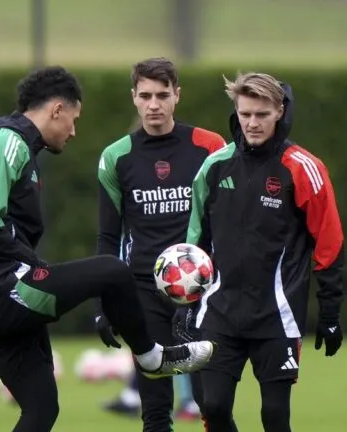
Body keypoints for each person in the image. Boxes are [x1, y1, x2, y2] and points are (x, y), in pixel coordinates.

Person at [0, 65, 216, 432]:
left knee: (41, 409)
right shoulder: (5, 142)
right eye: (72, 120)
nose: (73, 131)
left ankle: (151, 357)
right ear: (57, 109)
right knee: (112, 270)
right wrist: (35, 264)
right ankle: (153, 358)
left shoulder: (17, 145)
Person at [183, 72, 345, 432]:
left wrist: (330, 312)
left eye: (262, 114)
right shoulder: (214, 167)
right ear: (236, 113)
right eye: (245, 114)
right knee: (213, 404)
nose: (252, 123)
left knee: (274, 416)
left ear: (280, 112)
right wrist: (188, 304)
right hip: (219, 311)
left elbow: (330, 245)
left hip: (277, 314)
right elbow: (195, 244)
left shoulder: (304, 168)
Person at [94, 57, 225, 431]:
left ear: (177, 96)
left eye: (162, 95)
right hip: (143, 292)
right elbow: (108, 236)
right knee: (154, 409)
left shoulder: (209, 146)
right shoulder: (116, 157)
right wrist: (107, 304)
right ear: (134, 97)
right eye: (146, 95)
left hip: (201, 294)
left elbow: (227, 221)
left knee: (211, 402)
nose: (154, 104)